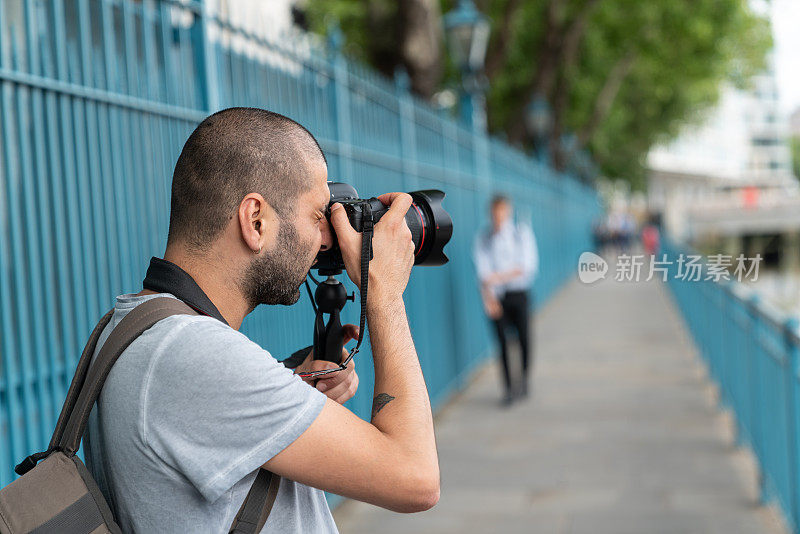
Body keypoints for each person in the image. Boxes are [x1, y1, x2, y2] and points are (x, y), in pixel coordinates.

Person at [83, 107, 439, 533]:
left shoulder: (127, 326)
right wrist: (384, 292)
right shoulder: (195, 356)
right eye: (315, 215)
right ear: (255, 220)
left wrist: (290, 384)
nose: (327, 237)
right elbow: (416, 479)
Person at [472, 195, 539, 407]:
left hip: (519, 294)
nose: (498, 217)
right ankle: (509, 388)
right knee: (501, 343)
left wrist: (497, 277)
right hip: (496, 297)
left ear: (508, 211)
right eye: (494, 213)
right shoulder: (484, 238)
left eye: (501, 212)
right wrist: (489, 299)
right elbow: (483, 275)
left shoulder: (521, 234)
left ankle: (524, 379)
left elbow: (527, 267)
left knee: (524, 339)